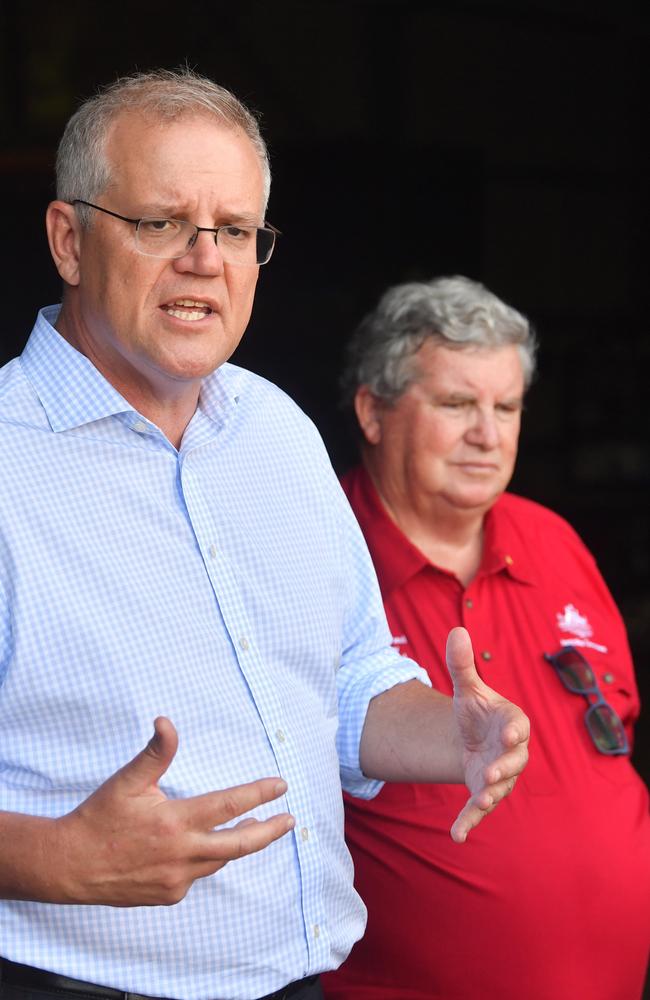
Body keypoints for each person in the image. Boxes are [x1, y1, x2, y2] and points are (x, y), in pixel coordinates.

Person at [0, 74, 530, 1000]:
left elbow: (351, 679)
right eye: (161, 222)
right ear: (68, 241)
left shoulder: (275, 431)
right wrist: (53, 859)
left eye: (236, 230)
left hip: (294, 979)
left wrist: (453, 733)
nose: (206, 259)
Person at [321, 275, 650, 1000]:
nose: (488, 435)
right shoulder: (317, 555)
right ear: (372, 411)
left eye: (506, 407)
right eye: (456, 404)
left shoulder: (554, 540)